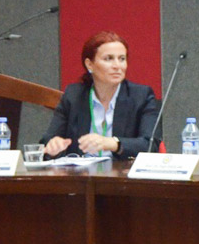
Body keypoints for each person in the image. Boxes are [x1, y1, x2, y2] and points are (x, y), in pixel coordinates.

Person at [41, 31, 160, 159]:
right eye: (108, 59)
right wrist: (54, 144)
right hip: (81, 170)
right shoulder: (73, 95)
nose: (117, 66)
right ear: (89, 64)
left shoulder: (141, 96)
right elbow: (47, 140)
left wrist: (113, 143)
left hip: (121, 171)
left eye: (122, 59)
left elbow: (151, 144)